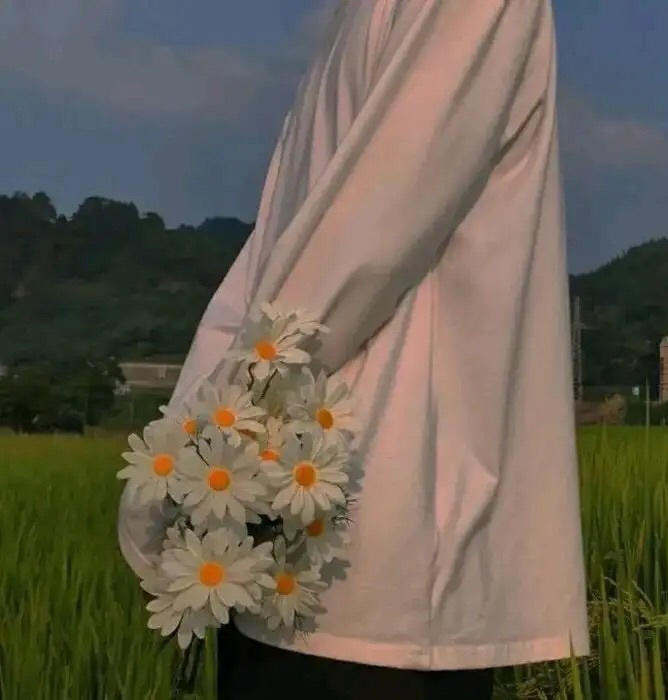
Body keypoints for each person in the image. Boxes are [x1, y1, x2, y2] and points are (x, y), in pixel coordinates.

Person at [118, 1, 590, 698]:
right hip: (349, 563)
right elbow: (308, 269)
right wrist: (177, 475)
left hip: (348, 565)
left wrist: (177, 471)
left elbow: (322, 266)